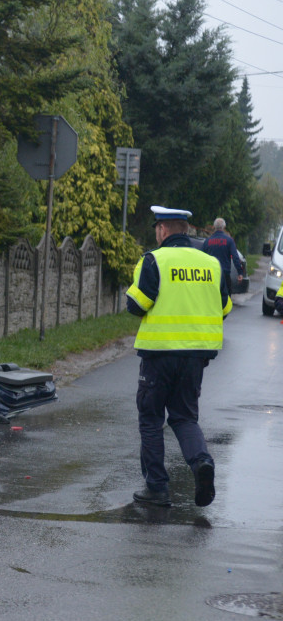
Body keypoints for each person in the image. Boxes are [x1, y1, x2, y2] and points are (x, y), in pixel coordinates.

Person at [125, 205, 230, 508]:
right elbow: (224, 308)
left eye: (157, 229)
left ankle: (157, 488)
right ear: (186, 231)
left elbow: (137, 304)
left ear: (163, 230)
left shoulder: (154, 260)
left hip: (159, 354)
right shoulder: (211, 264)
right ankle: (201, 464)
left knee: (151, 417)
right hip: (197, 356)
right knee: (184, 417)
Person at [201, 218, 244, 294]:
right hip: (224, 274)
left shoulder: (207, 241)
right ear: (224, 227)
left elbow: (201, 258)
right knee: (226, 301)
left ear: (214, 227)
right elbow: (235, 257)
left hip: (211, 276)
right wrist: (240, 272)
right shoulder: (229, 240)